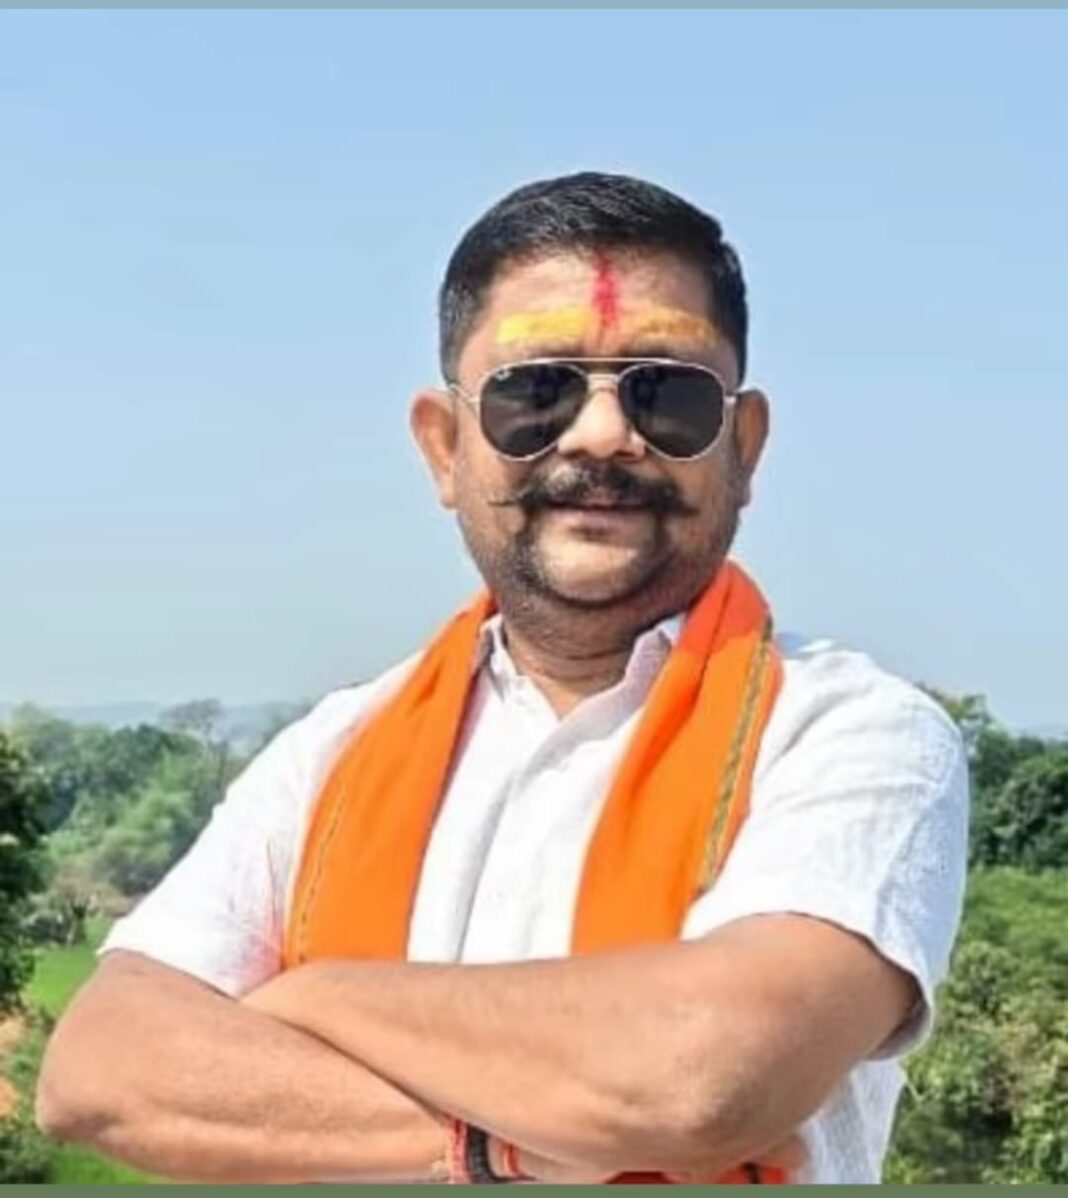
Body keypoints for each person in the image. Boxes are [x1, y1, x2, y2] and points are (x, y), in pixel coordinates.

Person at [36, 172, 968, 1184]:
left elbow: (703, 1076)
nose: (602, 435)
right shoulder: (335, 752)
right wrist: (491, 1146)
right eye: (536, 394)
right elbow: (101, 1068)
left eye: (667, 395)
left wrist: (322, 995)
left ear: (742, 450)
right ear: (444, 449)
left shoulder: (849, 733)